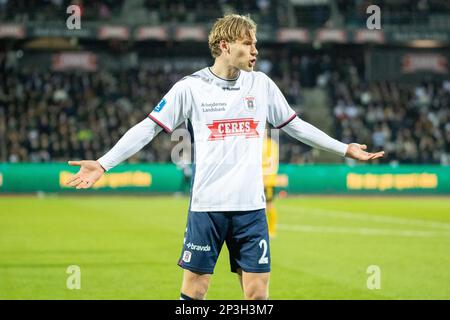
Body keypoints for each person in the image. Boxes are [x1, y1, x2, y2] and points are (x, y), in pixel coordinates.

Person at [65, 14, 384, 300]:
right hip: (208, 207)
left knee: (257, 294)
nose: (255, 50)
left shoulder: (261, 85)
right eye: (247, 43)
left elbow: (295, 126)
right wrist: (104, 162)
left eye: (255, 43)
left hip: (251, 208)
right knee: (195, 289)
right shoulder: (190, 88)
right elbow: (149, 128)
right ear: (224, 46)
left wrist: (344, 148)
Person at [262, 134, 279, 239]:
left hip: (268, 180)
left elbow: (272, 163)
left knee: (269, 205)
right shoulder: (255, 143)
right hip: (256, 180)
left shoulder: (271, 144)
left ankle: (272, 230)